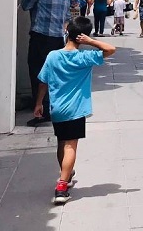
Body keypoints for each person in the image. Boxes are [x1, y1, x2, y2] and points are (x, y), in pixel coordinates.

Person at [34, 16, 116, 204]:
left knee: (61, 143)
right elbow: (111, 49)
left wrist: (39, 103)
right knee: (71, 145)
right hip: (76, 109)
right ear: (83, 36)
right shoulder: (84, 58)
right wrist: (91, 41)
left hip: (57, 109)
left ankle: (67, 174)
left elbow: (43, 82)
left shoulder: (52, 56)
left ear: (67, 31)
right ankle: (62, 186)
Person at [21, 0, 71, 128]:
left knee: (37, 72)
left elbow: (26, 4)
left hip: (42, 35)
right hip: (58, 36)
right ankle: (53, 108)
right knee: (53, 74)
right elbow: (67, 15)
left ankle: (40, 110)